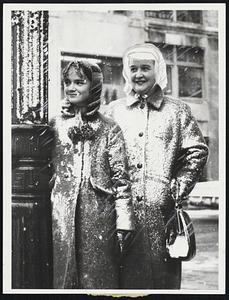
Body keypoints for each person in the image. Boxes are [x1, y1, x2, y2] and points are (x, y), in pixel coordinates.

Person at [61, 43, 209, 289]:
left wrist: (177, 188)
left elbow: (197, 150)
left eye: (145, 68)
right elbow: (93, 144)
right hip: (119, 217)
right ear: (127, 73)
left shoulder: (178, 111)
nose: (139, 74)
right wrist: (71, 112)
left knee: (161, 282)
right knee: (122, 283)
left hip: (161, 216)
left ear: (157, 70)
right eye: (133, 68)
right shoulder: (114, 110)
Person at [49, 60, 135, 289]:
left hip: (99, 215)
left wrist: (124, 221)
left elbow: (121, 179)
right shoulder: (56, 124)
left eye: (79, 82)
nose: (71, 87)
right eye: (67, 82)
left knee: (98, 277)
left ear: (94, 86)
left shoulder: (109, 127)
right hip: (61, 212)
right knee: (64, 274)